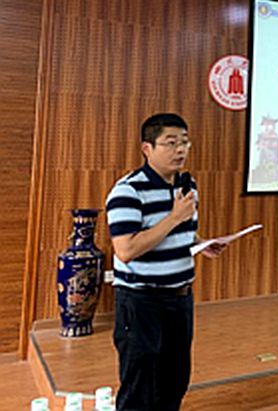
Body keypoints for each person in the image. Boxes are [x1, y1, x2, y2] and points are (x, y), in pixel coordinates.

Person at [106, 113, 224, 411]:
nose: (180, 150)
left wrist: (200, 243)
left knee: (175, 378)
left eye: (185, 142)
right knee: (140, 382)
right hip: (141, 301)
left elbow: (182, 231)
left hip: (180, 298)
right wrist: (174, 217)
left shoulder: (187, 185)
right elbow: (126, 250)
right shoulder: (128, 191)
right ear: (147, 148)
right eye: (171, 143)